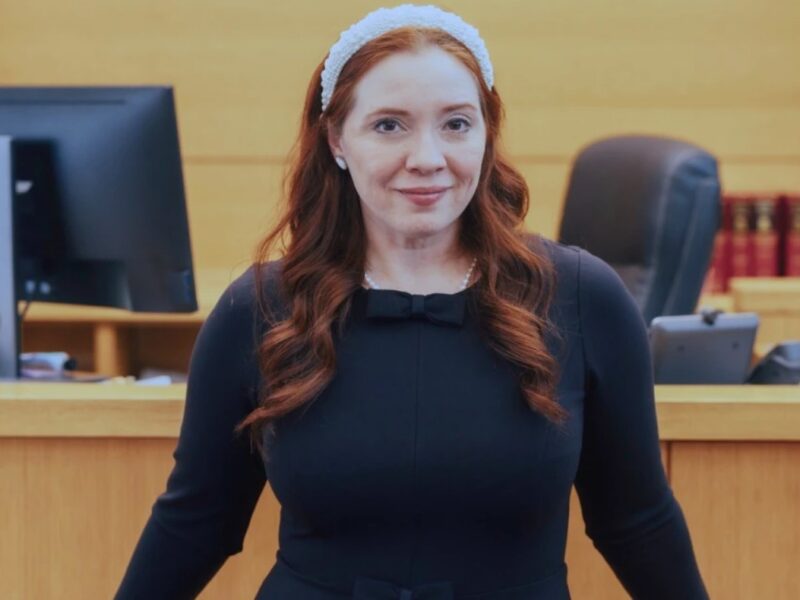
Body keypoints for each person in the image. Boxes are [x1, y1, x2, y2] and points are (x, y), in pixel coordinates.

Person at [115, 4, 709, 599]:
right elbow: (196, 522)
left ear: (486, 134)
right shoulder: (262, 307)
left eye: (456, 124)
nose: (427, 158)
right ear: (336, 139)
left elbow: (636, 521)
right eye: (389, 126)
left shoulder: (580, 296)